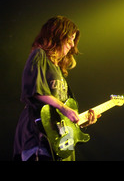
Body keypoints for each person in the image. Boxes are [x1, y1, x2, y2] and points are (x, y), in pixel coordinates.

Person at [13, 16, 98, 161]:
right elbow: (34, 90)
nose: (72, 45)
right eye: (70, 39)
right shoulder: (39, 55)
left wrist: (82, 121)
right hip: (38, 138)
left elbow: (62, 116)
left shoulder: (59, 71)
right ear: (58, 36)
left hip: (61, 143)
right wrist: (64, 109)